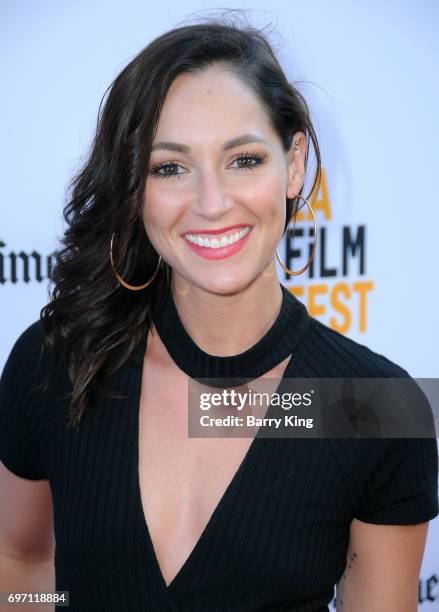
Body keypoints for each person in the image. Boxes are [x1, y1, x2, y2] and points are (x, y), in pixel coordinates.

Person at [0, 16, 438, 612]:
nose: (211, 203)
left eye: (244, 160)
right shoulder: (57, 363)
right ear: (135, 189)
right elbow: (22, 560)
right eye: (170, 168)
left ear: (296, 163)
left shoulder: (371, 406)